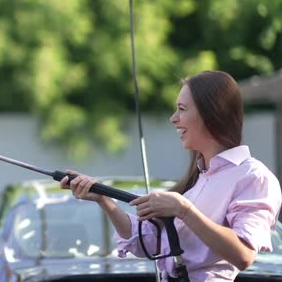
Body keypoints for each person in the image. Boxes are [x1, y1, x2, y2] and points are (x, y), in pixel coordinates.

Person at [60, 70, 282, 282]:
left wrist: (183, 210)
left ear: (211, 112)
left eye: (182, 109)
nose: (173, 119)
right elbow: (148, 242)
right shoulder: (198, 180)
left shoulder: (253, 176)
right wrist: (103, 199)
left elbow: (244, 254)